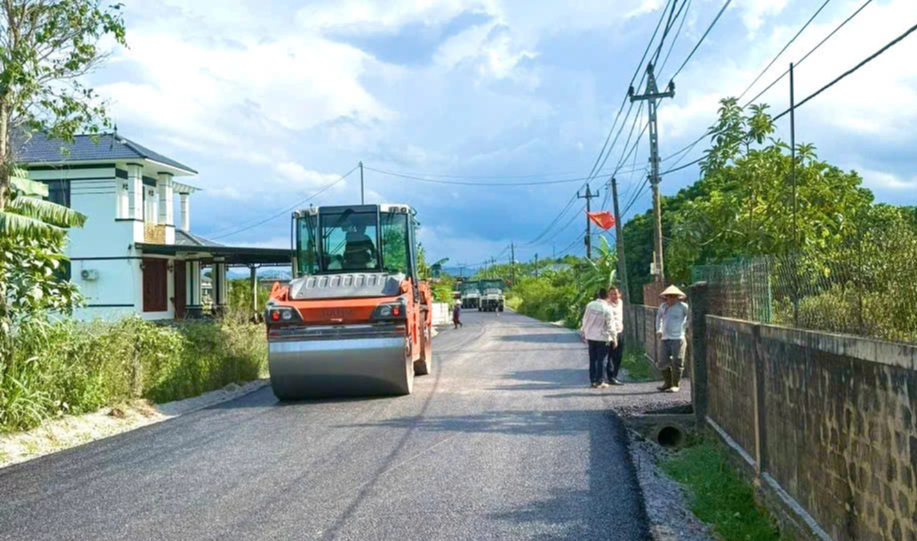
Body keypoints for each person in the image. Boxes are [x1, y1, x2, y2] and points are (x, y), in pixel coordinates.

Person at [580, 288, 616, 388]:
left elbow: (585, 319)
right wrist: (614, 338)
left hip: (591, 336)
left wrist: (583, 331)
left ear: (598, 295)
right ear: (607, 296)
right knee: (602, 360)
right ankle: (600, 381)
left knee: (593, 359)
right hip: (603, 338)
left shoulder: (590, 305)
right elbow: (610, 325)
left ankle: (593, 380)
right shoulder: (607, 308)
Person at [656, 285, 689, 393]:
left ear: (677, 297)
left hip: (678, 337)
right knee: (662, 361)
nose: (670, 299)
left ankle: (675, 384)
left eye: (673, 297)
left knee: (677, 361)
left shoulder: (683, 307)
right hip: (665, 337)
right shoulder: (663, 306)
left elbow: (689, 318)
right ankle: (667, 382)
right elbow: (658, 318)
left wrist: (684, 327)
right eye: (668, 297)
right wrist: (659, 329)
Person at [605, 287, 625, 386]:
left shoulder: (620, 302)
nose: (614, 296)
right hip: (610, 333)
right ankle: (611, 377)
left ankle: (615, 376)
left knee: (619, 355)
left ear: (619, 294)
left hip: (620, 331)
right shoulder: (606, 304)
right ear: (608, 295)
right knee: (610, 356)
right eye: (611, 294)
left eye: (615, 294)